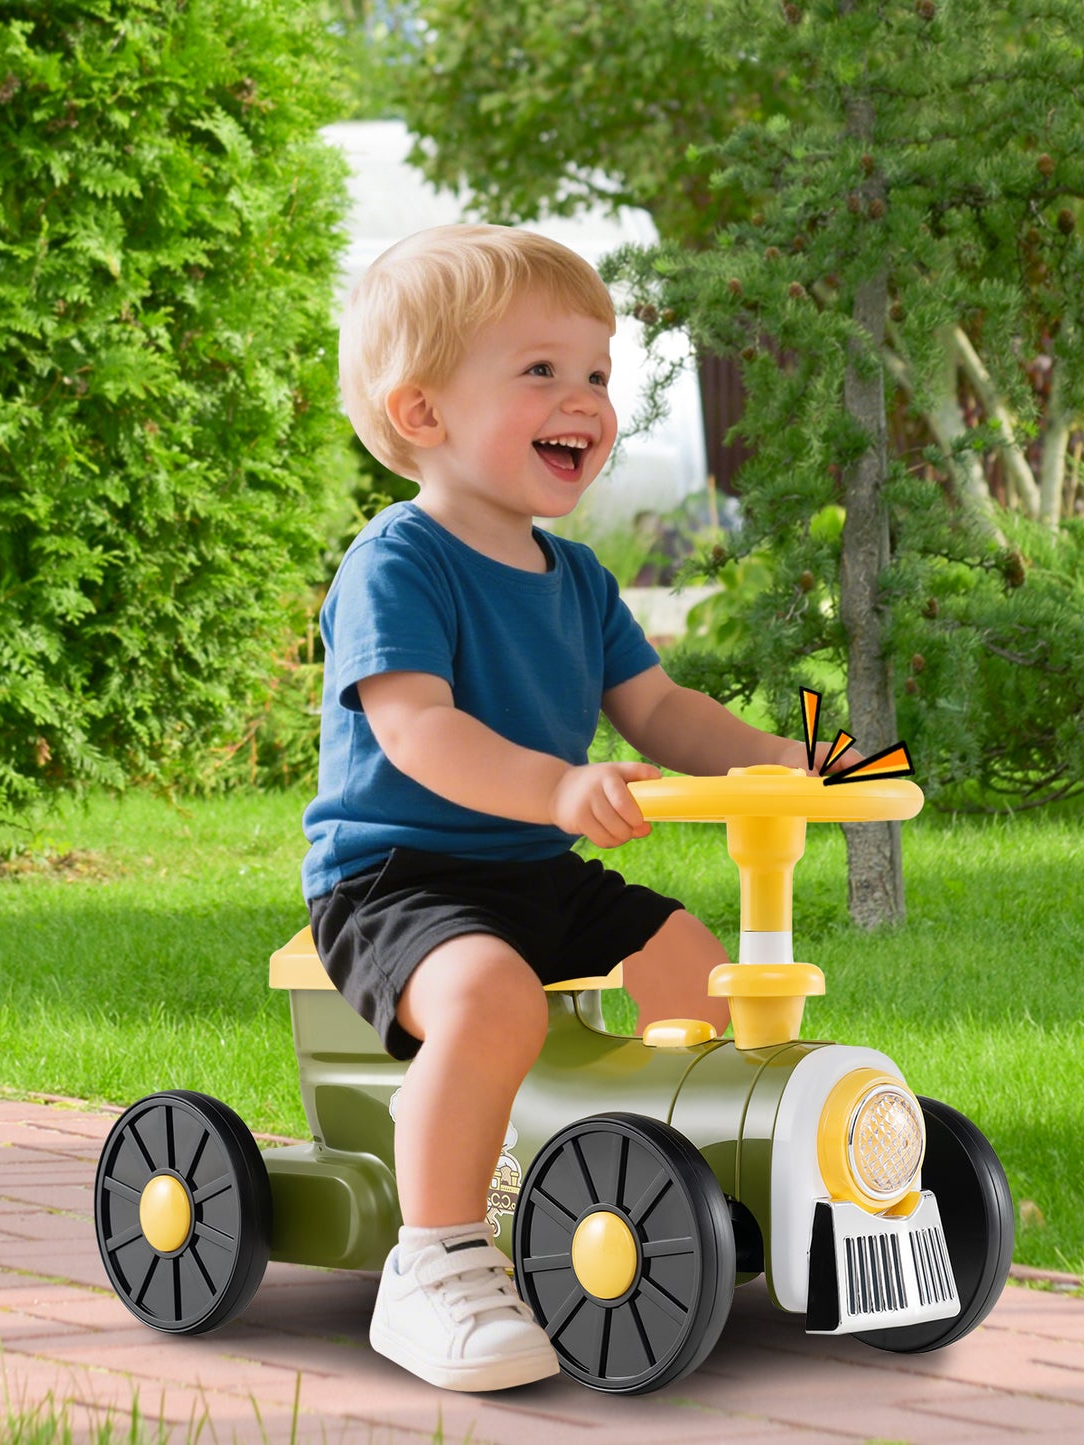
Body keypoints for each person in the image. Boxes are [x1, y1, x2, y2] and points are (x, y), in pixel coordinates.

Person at [302, 224, 833, 1392]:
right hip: (397, 879)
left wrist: (773, 759)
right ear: (422, 411)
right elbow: (416, 729)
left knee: (694, 965)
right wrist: (553, 785)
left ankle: (677, 1191)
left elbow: (660, 708)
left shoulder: (578, 578)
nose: (583, 398)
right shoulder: (397, 562)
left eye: (595, 370)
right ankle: (434, 1258)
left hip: (533, 870)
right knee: (488, 997)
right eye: (538, 369)